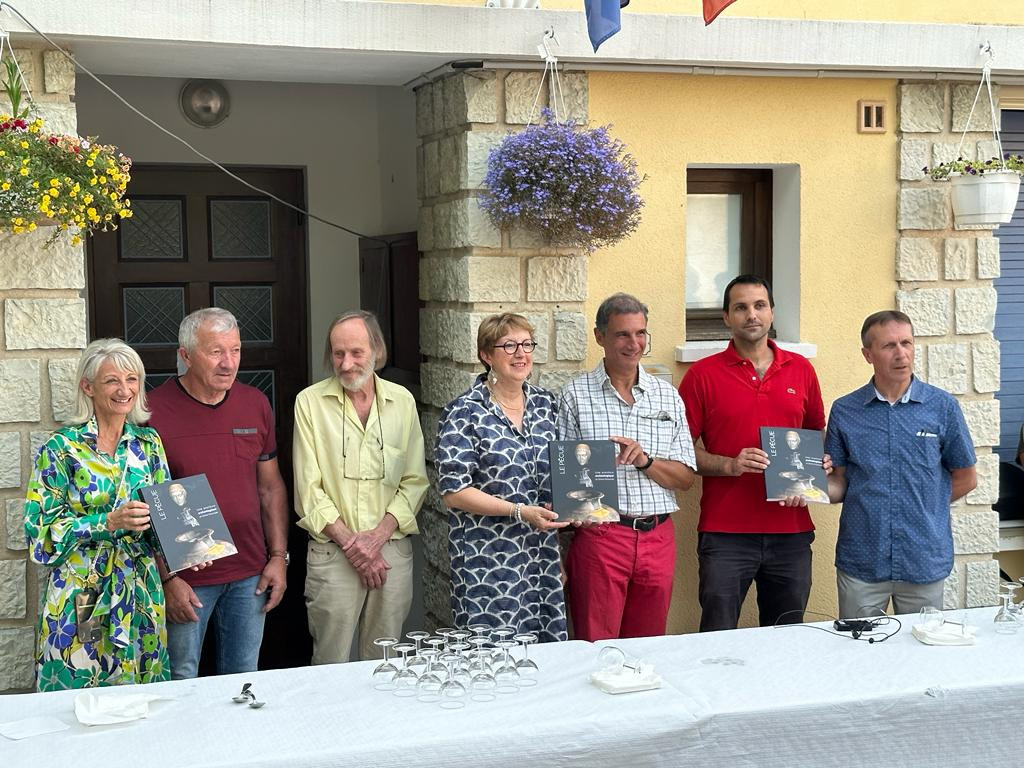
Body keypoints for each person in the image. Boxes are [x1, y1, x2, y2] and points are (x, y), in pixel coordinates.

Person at [147, 308, 289, 679]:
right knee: (180, 677)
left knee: (243, 678)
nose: (229, 363)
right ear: (185, 355)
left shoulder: (255, 403)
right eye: (215, 352)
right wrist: (167, 579)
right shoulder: (151, 413)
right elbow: (145, 501)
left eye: (236, 350)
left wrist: (278, 557)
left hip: (249, 574)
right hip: (186, 579)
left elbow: (270, 487)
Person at [679, 275, 826, 632]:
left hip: (790, 531)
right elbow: (680, 452)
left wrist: (813, 473)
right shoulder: (701, 376)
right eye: (741, 307)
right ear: (727, 318)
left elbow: (816, 437)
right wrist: (729, 464)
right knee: (717, 636)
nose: (752, 315)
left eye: (759, 306)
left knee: (787, 637)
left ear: (772, 313)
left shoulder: (801, 370)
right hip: (725, 534)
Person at [25, 338, 171, 691]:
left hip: (140, 591)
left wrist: (188, 549)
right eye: (112, 381)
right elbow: (40, 538)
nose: (125, 390)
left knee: (141, 696)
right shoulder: (62, 449)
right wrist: (106, 523)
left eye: (132, 379)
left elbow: (165, 518)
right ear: (88, 387)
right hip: (83, 591)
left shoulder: (148, 444)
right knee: (81, 688)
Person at [557, 294, 697, 641]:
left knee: (648, 648)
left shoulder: (667, 396)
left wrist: (645, 461)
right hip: (601, 537)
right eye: (622, 334)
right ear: (599, 336)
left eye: (640, 333)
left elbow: (685, 479)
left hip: (658, 535)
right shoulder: (575, 395)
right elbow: (564, 486)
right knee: (595, 644)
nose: (633, 344)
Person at [294, 310, 429, 663]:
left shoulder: (402, 401)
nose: (346, 363)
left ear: (377, 352)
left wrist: (376, 539)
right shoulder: (309, 402)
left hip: (390, 553)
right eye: (338, 354)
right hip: (334, 554)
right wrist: (355, 546)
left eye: (356, 353)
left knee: (384, 663)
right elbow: (308, 490)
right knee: (330, 663)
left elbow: (414, 481)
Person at [824, 310, 977, 618]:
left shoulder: (943, 407)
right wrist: (806, 487)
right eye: (889, 346)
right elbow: (840, 482)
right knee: (859, 652)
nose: (901, 354)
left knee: (922, 654)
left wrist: (925, 504)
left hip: (923, 558)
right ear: (868, 354)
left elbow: (967, 477)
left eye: (906, 343)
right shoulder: (845, 411)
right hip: (863, 560)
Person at [436, 314, 570, 641]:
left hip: (542, 559)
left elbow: (566, 472)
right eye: (509, 346)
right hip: (487, 565)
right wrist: (519, 511)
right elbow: (454, 491)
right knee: (493, 665)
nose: (520, 354)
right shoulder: (464, 412)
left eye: (526, 344)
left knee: (544, 662)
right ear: (486, 355)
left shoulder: (547, 405)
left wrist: (583, 505)